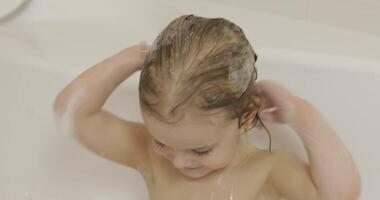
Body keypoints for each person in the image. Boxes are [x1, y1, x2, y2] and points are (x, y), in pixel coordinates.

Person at [53, 14, 361, 200]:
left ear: (247, 117)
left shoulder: (265, 171)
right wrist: (136, 57)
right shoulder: (148, 154)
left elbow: (340, 195)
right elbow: (73, 114)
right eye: (163, 142)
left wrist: (299, 113)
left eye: (201, 151)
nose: (179, 162)